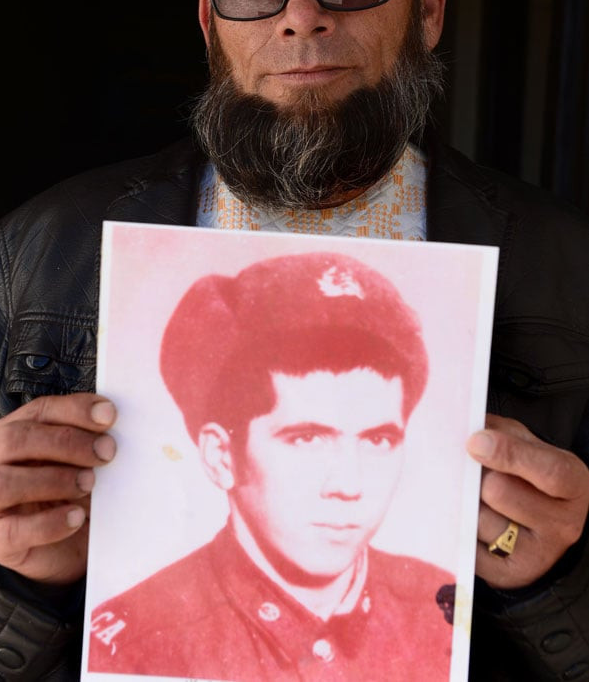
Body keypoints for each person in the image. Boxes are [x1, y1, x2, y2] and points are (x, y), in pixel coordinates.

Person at [0, 0, 588, 682]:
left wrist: (550, 582)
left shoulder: (565, 268)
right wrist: (23, 578)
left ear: (428, 4)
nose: (300, 17)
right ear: (210, 21)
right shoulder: (39, 255)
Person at [88, 251, 454, 680]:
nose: (348, 485)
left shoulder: (446, 613)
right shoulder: (134, 648)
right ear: (222, 457)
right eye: (307, 439)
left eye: (378, 440)